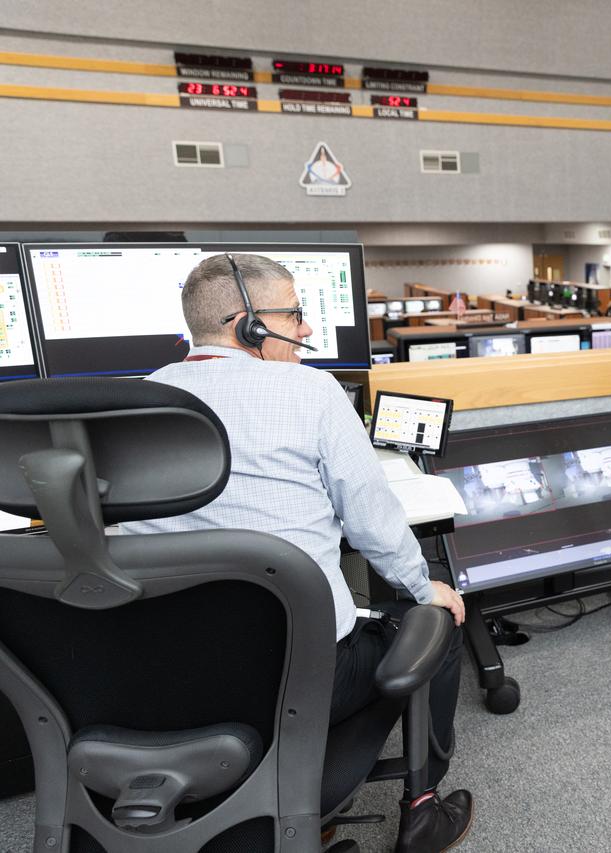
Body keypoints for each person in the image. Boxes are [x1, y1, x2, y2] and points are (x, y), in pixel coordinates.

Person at [119, 253, 473, 852]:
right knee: (435, 623)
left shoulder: (136, 402)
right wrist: (423, 587)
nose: (307, 330)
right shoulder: (311, 391)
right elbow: (371, 519)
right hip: (302, 673)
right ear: (249, 325)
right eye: (296, 315)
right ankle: (422, 808)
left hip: (173, 676)